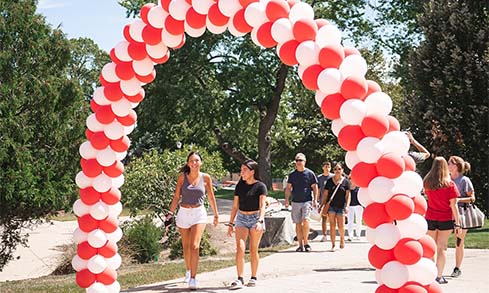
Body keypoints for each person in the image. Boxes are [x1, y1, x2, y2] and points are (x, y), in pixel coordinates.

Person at [166, 152, 220, 290]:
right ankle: (188, 269)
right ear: (188, 163)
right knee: (186, 246)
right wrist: (170, 213)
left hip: (199, 213)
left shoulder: (206, 178)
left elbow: (211, 197)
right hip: (184, 213)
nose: (194, 163)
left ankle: (193, 279)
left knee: (195, 246)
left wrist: (216, 214)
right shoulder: (182, 178)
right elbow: (177, 197)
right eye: (191, 160)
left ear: (201, 162)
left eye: (196, 160)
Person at [227, 160, 267, 289]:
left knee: (253, 249)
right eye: (241, 169)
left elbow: (262, 206)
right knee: (240, 248)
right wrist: (230, 223)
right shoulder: (240, 186)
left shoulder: (261, 186)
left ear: (252, 172)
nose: (241, 172)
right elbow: (234, 206)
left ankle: (254, 277)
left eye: (244, 170)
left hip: (256, 218)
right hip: (242, 218)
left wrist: (260, 221)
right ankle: (240, 278)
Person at [423, 157, 461, 284]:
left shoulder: (427, 182)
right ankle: (438, 276)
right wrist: (458, 222)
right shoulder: (450, 185)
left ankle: (429, 274)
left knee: (431, 248)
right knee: (442, 247)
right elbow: (453, 205)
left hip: (430, 217)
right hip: (445, 219)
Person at [448, 155, 476, 278]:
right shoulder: (446, 179)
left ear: (456, 166)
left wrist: (457, 200)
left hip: (462, 214)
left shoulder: (464, 180)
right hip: (447, 213)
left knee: (459, 241)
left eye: (449, 163)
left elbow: (472, 198)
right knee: (441, 241)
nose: (447, 165)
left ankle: (457, 268)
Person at [285, 153, 319, 252]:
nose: (298, 162)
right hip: (295, 201)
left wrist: (315, 200)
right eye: (297, 160)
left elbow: (315, 187)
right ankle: (300, 244)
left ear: (305, 162)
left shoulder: (310, 173)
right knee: (298, 223)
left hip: (306, 201)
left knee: (305, 221)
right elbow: (288, 188)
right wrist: (287, 200)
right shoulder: (292, 174)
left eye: (300, 160)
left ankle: (306, 242)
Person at [320, 162, 350, 251]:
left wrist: (347, 206)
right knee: (332, 225)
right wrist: (321, 205)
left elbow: (348, 195)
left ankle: (341, 239)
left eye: (339, 169)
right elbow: (325, 194)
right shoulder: (329, 181)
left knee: (341, 226)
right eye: (336, 169)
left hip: (341, 206)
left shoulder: (345, 182)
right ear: (333, 170)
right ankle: (333, 244)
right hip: (331, 206)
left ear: (342, 170)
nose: (337, 171)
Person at [317, 161, 333, 242]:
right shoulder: (319, 178)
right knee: (324, 218)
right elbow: (318, 190)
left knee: (332, 219)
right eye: (325, 166)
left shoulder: (333, 177)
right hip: (323, 201)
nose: (327, 168)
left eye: (328, 167)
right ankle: (324, 235)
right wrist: (317, 200)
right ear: (323, 168)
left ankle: (332, 234)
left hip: (333, 201)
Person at [347, 177, 363, 241]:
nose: (351, 180)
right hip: (350, 206)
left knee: (358, 220)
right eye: (350, 178)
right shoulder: (348, 188)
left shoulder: (359, 188)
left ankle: (358, 234)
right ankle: (350, 235)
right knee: (350, 221)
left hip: (358, 206)